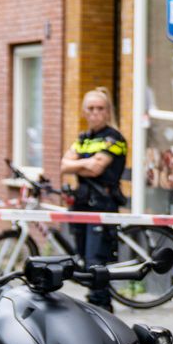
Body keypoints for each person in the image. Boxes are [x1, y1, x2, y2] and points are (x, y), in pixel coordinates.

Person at [60, 89, 129, 311]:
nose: (95, 113)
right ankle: (95, 302)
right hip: (82, 204)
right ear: (83, 111)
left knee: (95, 260)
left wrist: (79, 165)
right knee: (82, 257)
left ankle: (102, 307)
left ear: (108, 112)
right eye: (90, 109)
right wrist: (84, 165)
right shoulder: (83, 138)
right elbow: (63, 165)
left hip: (102, 204)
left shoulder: (114, 138)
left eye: (100, 108)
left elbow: (97, 168)